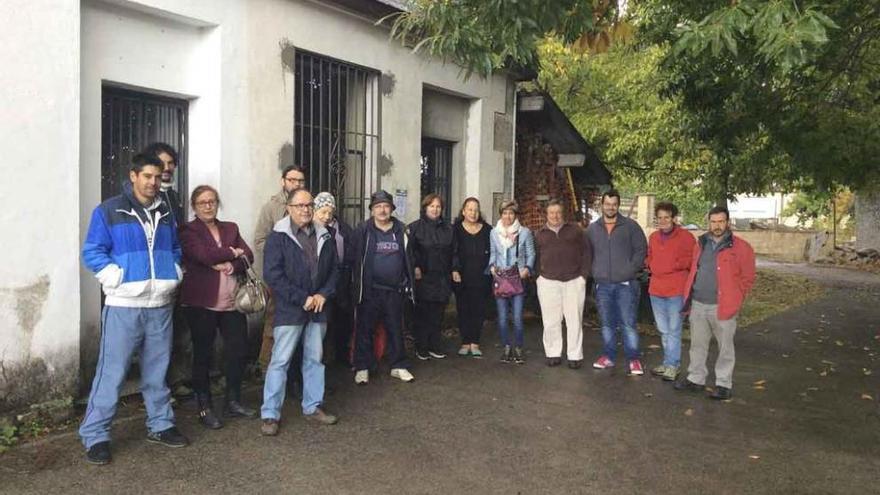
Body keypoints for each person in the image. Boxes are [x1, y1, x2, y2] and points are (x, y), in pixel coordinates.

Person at [80, 153, 188, 465]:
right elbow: (93, 251)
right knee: (111, 373)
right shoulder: (109, 210)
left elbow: (175, 249)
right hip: (124, 305)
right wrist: (115, 277)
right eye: (148, 176)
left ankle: (161, 424)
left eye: (158, 177)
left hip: (160, 305)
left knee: (157, 372)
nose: (154, 182)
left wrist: (175, 272)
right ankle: (96, 435)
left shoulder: (166, 210)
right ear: (133, 176)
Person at [260, 189, 339, 436]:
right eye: (300, 205)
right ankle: (270, 414)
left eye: (309, 205)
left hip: (318, 309)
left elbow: (335, 271)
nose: (305, 209)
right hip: (290, 310)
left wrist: (322, 295)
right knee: (280, 361)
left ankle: (312, 406)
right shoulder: (278, 237)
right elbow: (273, 275)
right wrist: (301, 298)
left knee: (314, 359)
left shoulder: (326, 234)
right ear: (289, 208)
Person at [179, 185, 257, 430]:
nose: (208, 205)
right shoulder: (188, 230)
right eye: (202, 202)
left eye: (212, 201)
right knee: (203, 354)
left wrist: (232, 266)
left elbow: (249, 256)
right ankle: (205, 407)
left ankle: (233, 401)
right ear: (194, 206)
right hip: (202, 303)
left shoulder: (230, 227)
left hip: (232, 302)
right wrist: (231, 252)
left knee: (238, 350)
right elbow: (202, 255)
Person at [675, 206, 756, 400]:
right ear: (709, 222)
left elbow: (748, 277)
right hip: (698, 303)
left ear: (728, 222)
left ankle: (723, 383)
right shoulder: (701, 243)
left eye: (721, 221)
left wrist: (736, 297)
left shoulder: (741, 247)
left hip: (723, 306)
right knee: (697, 345)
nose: (717, 225)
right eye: (713, 221)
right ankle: (696, 379)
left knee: (725, 347)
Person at [351, 190, 416, 384]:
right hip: (369, 289)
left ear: (392, 209)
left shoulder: (401, 230)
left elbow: (409, 258)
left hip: (394, 290)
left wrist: (408, 282)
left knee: (395, 328)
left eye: (386, 206)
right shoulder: (363, 230)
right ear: (372, 210)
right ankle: (362, 367)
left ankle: (398, 365)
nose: (382, 210)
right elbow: (354, 259)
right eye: (378, 206)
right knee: (365, 329)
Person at [586, 190, 648, 375]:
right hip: (602, 285)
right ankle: (609, 357)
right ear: (602, 205)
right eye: (607, 204)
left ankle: (634, 359)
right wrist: (594, 271)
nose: (610, 207)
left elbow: (641, 250)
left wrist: (630, 270)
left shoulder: (630, 226)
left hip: (625, 285)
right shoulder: (592, 229)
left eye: (614, 204)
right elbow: (586, 253)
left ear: (618, 205)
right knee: (606, 323)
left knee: (628, 323)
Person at [254, 165, 307, 371]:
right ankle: (266, 368)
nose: (296, 184)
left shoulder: (306, 204)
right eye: (292, 180)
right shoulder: (271, 207)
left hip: (303, 279)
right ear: (283, 181)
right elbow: (259, 241)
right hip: (278, 278)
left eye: (300, 180)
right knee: (274, 323)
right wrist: (283, 253)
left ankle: (295, 372)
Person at [534, 199, 592, 368]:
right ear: (547, 214)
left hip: (573, 281)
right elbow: (535, 257)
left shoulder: (576, 231)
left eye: (558, 212)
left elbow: (587, 253)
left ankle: (574, 355)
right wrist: (539, 277)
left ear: (563, 213)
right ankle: (553, 353)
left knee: (574, 319)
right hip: (548, 282)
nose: (555, 216)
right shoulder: (540, 234)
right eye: (552, 213)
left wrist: (583, 276)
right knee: (551, 320)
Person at [645, 202, 696, 381]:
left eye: (667, 217)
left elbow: (693, 260)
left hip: (676, 290)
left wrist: (674, 264)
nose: (663, 221)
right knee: (663, 329)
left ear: (674, 218)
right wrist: (650, 264)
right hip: (656, 290)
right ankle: (668, 363)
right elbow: (649, 257)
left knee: (674, 329)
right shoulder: (653, 237)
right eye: (660, 217)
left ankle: (673, 365)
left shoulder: (686, 237)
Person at [407, 193, 454, 361]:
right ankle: (421, 347)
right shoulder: (414, 228)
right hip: (424, 279)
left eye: (438, 207)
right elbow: (410, 252)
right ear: (425, 207)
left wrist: (454, 269)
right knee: (422, 314)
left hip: (442, 278)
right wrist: (416, 267)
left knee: (438, 314)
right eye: (432, 206)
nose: (435, 209)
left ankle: (435, 345)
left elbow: (453, 252)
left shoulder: (448, 229)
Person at [488, 200, 535, 364]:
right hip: (500, 279)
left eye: (511, 213)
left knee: (517, 318)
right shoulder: (494, 233)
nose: (508, 216)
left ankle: (519, 348)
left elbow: (531, 253)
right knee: (501, 318)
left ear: (516, 215)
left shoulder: (525, 233)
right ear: (501, 214)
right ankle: (506, 347)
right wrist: (492, 267)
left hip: (518, 279)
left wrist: (527, 269)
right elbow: (493, 253)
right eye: (505, 213)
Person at [313, 192, 356, 366]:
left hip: (341, 280)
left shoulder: (342, 228)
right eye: (323, 212)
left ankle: (340, 358)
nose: (327, 216)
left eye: (330, 212)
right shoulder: (311, 232)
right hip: (318, 287)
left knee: (342, 321)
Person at [143, 142, 184, 227]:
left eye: (170, 163)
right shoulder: (144, 196)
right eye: (161, 163)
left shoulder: (174, 196)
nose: (166, 168)